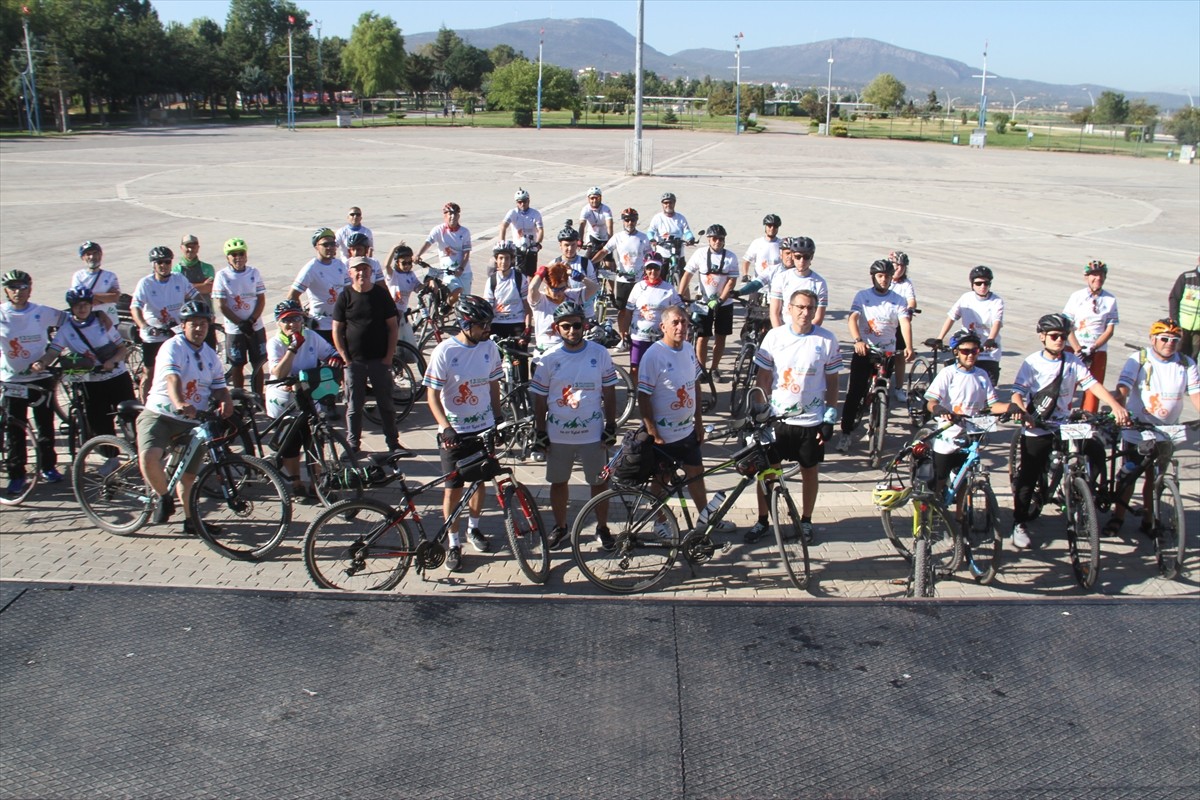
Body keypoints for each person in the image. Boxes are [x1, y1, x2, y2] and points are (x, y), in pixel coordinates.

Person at [1008, 313, 1129, 550]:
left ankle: (1080, 494)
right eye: (1054, 336)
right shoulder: (1032, 363)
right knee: (1028, 475)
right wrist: (1022, 411)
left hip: (1065, 424)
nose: (1059, 341)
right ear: (1042, 336)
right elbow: (1017, 392)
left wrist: (1115, 405)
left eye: (1063, 336)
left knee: (1095, 450)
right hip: (1038, 425)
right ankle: (1019, 523)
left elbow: (1092, 384)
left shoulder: (1073, 362)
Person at [744, 289, 842, 545]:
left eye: (810, 308)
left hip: (810, 421)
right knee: (767, 472)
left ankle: (806, 520)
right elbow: (763, 377)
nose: (804, 313)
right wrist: (758, 413)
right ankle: (763, 520)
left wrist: (830, 416)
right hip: (777, 419)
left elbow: (833, 382)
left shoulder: (827, 340)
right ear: (789, 308)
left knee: (810, 472)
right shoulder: (774, 337)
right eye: (799, 307)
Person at [136, 299, 234, 536]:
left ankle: (191, 520)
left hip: (192, 420)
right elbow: (173, 379)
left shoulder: (211, 355)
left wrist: (226, 399)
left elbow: (219, 386)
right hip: (162, 413)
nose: (199, 329)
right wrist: (180, 402)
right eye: (194, 324)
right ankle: (163, 497)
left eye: (203, 324)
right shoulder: (173, 346)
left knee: (189, 476)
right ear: (183, 325)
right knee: (150, 457)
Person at [422, 296, 504, 572]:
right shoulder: (445, 351)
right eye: (482, 324)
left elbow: (493, 385)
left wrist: (498, 417)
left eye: (488, 323)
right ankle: (453, 542)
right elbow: (431, 395)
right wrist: (446, 428)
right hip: (455, 433)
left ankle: (474, 528)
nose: (488, 329)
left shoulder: (490, 348)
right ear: (466, 323)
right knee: (453, 491)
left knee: (479, 483)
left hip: (482, 428)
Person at [530, 301, 619, 549]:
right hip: (558, 434)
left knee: (599, 482)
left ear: (585, 325)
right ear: (557, 328)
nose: (572, 331)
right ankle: (561, 528)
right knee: (559, 482)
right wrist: (539, 431)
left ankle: (602, 528)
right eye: (566, 326)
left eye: (577, 325)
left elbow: (610, 392)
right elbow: (539, 398)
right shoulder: (548, 359)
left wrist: (611, 425)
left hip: (592, 434)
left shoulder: (599, 354)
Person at [637, 305, 731, 533]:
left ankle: (706, 517)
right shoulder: (653, 355)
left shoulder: (689, 349)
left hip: (687, 431)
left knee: (696, 474)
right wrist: (653, 433)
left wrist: (698, 422)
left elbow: (695, 386)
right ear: (663, 327)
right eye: (675, 323)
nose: (681, 327)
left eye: (684, 323)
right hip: (664, 435)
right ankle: (659, 522)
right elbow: (643, 396)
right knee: (662, 479)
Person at [1105, 319, 1199, 535]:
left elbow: (1195, 393)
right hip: (1138, 430)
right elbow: (1124, 388)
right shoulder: (1139, 359)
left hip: (1167, 432)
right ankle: (1118, 517)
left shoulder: (1186, 363)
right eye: (1164, 339)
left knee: (1155, 478)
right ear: (1153, 339)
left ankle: (1149, 519)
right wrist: (1115, 401)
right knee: (1129, 476)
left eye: (1175, 339)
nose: (1169, 343)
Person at [332, 256, 409, 457]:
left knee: (386, 405)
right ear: (350, 273)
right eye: (357, 270)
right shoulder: (345, 296)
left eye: (365, 270)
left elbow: (392, 327)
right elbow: (337, 329)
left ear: (370, 272)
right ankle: (353, 445)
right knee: (353, 406)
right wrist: (344, 358)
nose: (361, 274)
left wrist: (388, 357)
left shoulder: (381, 295)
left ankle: (393, 442)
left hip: (379, 360)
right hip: (354, 361)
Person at [265, 300, 341, 500]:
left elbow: (330, 353)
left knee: (314, 440)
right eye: (286, 320)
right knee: (292, 443)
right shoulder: (274, 343)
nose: (292, 324)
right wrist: (292, 347)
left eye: (296, 319)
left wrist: (334, 359)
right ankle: (296, 483)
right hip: (283, 399)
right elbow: (278, 372)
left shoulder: (311, 336)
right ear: (279, 323)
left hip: (307, 394)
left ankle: (317, 485)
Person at [836, 259, 913, 454]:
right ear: (873, 277)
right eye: (880, 276)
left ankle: (879, 420)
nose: (884, 280)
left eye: (887, 276)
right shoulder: (863, 296)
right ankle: (845, 434)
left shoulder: (898, 299)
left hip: (887, 352)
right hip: (865, 351)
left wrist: (908, 346)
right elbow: (853, 317)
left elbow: (904, 323)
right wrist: (857, 340)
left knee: (883, 388)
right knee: (854, 392)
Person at [44, 287, 135, 447]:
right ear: (71, 307)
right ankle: (111, 458)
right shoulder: (66, 330)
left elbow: (122, 348)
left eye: (86, 304)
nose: (82, 308)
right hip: (91, 382)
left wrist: (112, 361)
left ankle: (139, 451)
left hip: (117, 376)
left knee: (131, 416)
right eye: (78, 305)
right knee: (99, 421)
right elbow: (53, 352)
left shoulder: (102, 322)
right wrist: (42, 363)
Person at [1, 269, 65, 494]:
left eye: (23, 287)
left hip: (40, 377)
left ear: (30, 289)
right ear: (6, 291)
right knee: (14, 429)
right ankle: (17, 474)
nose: (18, 292)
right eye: (13, 288)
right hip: (13, 381)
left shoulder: (41, 311)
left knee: (45, 426)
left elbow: (69, 321)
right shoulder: (1, 314)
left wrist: (52, 352)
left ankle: (48, 466)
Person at [922, 330, 1010, 487]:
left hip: (971, 436)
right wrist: (938, 409)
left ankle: (960, 512)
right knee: (939, 480)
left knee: (963, 481)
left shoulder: (982, 375)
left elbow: (993, 405)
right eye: (965, 351)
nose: (970, 355)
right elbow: (931, 401)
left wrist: (1012, 407)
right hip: (948, 435)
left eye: (974, 351)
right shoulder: (948, 373)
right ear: (956, 352)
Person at [129, 246, 198, 400]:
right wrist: (144, 326)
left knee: (181, 368)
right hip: (154, 335)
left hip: (176, 333)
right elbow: (135, 308)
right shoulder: (145, 283)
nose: (164, 265)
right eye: (159, 262)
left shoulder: (179, 278)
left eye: (167, 262)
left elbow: (195, 297)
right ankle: (144, 404)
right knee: (150, 371)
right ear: (153, 264)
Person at [678, 224, 738, 382]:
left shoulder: (731, 257)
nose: (717, 241)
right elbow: (687, 275)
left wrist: (720, 300)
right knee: (702, 337)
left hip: (724, 304)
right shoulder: (700, 254)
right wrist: (680, 294)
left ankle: (714, 368)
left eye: (721, 239)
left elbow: (731, 281)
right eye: (714, 238)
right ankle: (702, 368)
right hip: (703, 303)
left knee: (720, 337)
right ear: (709, 239)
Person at [211, 237, 267, 396]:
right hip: (234, 330)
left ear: (246, 255)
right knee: (237, 365)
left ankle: (258, 396)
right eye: (233, 254)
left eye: (241, 253)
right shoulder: (222, 276)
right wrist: (240, 323)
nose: (238, 257)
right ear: (227, 257)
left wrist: (251, 320)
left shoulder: (254, 272)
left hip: (255, 327)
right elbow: (221, 305)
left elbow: (261, 299)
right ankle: (239, 398)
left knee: (258, 364)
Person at [593, 207, 653, 352]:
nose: (629, 222)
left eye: (632, 220)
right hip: (622, 280)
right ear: (623, 221)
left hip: (639, 280)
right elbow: (604, 251)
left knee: (640, 309)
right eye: (626, 220)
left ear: (637, 221)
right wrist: (590, 263)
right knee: (622, 310)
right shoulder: (618, 237)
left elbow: (650, 257)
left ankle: (639, 337)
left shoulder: (643, 238)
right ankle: (623, 338)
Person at [1062, 260, 1119, 413]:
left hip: (1097, 350)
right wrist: (1077, 349)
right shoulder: (1076, 296)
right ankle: (1061, 415)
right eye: (1094, 275)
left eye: (1100, 275)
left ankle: (1088, 418)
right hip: (1074, 348)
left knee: (1094, 387)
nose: (1097, 279)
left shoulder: (1110, 300)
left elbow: (1109, 330)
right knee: (1066, 385)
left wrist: (1093, 348)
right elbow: (1067, 326)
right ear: (1086, 277)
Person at [936, 265, 1005, 384]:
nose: (982, 286)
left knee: (989, 387)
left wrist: (991, 338)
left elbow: (997, 322)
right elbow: (951, 317)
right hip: (968, 348)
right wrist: (939, 338)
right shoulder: (966, 298)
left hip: (988, 351)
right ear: (972, 284)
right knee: (962, 383)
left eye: (986, 283)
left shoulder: (996, 301)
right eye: (978, 283)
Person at [624, 256, 682, 385]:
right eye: (649, 268)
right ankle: (634, 397)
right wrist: (624, 332)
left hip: (660, 338)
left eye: (656, 268)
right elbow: (628, 311)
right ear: (645, 269)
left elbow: (679, 311)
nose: (652, 272)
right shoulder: (638, 287)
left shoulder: (669, 289)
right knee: (635, 369)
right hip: (639, 336)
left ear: (660, 269)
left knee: (660, 369)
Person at [289, 227, 348, 345]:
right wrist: (304, 318)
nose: (330, 247)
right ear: (316, 246)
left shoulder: (339, 265)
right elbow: (292, 296)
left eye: (333, 244)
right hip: (320, 326)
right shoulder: (311, 268)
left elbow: (349, 290)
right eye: (326, 244)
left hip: (340, 323)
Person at [528, 261, 599, 352]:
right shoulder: (539, 300)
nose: (560, 293)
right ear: (548, 286)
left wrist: (578, 275)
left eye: (562, 288)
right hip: (545, 349)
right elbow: (532, 288)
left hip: (567, 348)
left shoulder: (572, 295)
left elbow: (594, 288)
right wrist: (541, 273)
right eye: (555, 289)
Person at [768, 237, 828, 328]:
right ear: (792, 256)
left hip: (808, 331)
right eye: (798, 257)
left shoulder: (820, 283)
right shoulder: (781, 278)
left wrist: (804, 333)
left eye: (806, 257)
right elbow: (774, 313)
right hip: (784, 329)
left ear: (811, 257)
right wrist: (780, 334)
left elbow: (818, 318)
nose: (801, 261)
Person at [416, 202, 474, 295]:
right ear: (445, 215)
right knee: (455, 292)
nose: (453, 216)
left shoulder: (465, 232)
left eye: (455, 214)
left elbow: (466, 253)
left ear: (458, 216)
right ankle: (446, 308)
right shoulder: (438, 230)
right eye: (450, 214)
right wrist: (418, 255)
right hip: (448, 272)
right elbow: (428, 243)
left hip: (464, 272)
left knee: (465, 299)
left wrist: (461, 268)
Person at [173, 234, 217, 347]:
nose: (190, 249)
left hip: (206, 316)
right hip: (187, 319)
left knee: (209, 350)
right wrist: (201, 285)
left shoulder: (207, 267)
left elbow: (209, 288)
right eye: (187, 246)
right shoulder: (176, 270)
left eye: (193, 246)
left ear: (198, 248)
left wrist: (186, 286)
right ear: (181, 247)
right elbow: (176, 290)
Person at [552, 222, 600, 320]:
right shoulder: (553, 264)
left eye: (573, 245)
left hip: (585, 312)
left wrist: (580, 277)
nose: (570, 249)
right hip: (563, 313)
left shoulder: (585, 263)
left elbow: (595, 287)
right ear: (560, 245)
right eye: (566, 245)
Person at [887, 251, 918, 403]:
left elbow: (912, 301)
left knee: (900, 356)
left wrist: (910, 308)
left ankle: (898, 387)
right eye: (896, 265)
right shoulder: (883, 278)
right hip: (884, 323)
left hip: (899, 324)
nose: (899, 268)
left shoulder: (906, 284)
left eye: (902, 266)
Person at [70, 240, 121, 327]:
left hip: (110, 320)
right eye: (88, 254)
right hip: (89, 322)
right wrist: (104, 297)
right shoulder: (78, 276)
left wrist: (90, 296)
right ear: (82, 257)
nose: (92, 256)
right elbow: (79, 299)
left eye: (95, 253)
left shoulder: (110, 276)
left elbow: (114, 297)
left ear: (100, 255)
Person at [383, 242, 422, 354]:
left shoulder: (411, 275)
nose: (407, 266)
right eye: (404, 263)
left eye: (409, 263)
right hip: (391, 311)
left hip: (402, 312)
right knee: (392, 341)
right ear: (397, 263)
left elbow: (418, 287)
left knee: (403, 343)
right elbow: (386, 265)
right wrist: (393, 248)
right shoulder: (393, 275)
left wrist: (430, 283)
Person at [499, 188, 544, 275]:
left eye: (525, 201)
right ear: (516, 202)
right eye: (520, 202)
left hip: (531, 247)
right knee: (517, 272)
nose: (522, 204)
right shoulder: (512, 213)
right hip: (517, 247)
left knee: (531, 273)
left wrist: (538, 243)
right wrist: (502, 243)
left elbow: (540, 230)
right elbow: (503, 226)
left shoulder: (535, 214)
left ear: (529, 201)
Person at [647, 192, 697, 263]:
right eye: (665, 203)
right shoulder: (657, 218)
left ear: (674, 203)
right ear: (662, 204)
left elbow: (687, 231)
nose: (668, 205)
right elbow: (650, 231)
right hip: (663, 254)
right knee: (661, 273)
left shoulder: (681, 218)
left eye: (671, 202)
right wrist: (652, 239)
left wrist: (691, 238)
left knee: (683, 273)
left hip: (679, 253)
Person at [740, 213, 784, 291]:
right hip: (757, 285)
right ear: (765, 226)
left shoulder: (782, 244)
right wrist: (745, 275)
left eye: (775, 226)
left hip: (775, 287)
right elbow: (746, 261)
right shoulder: (757, 243)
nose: (772, 228)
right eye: (769, 226)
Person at [1167, 256, 1200, 359]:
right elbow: (1174, 299)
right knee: (1177, 353)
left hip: (1198, 330)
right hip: (1182, 326)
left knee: (1193, 356)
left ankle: (1190, 375)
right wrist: (1174, 321)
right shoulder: (1186, 277)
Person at [577, 186, 614, 265]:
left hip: (605, 237)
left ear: (600, 198)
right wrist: (580, 239)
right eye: (592, 198)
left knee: (609, 264)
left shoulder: (606, 209)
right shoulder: (585, 209)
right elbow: (582, 225)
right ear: (588, 199)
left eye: (597, 198)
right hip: (592, 237)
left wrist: (610, 240)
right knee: (587, 259)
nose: (594, 200)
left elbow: (609, 226)